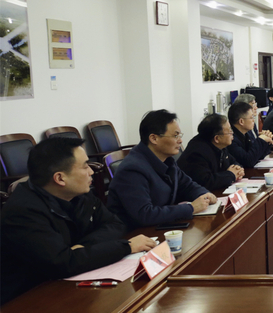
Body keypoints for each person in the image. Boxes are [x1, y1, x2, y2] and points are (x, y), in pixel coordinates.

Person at [0, 137, 157, 304]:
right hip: (28, 298)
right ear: (60, 179)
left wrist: (83, 247)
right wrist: (126, 247)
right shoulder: (23, 212)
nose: (91, 171)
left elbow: (115, 224)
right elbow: (62, 263)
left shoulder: (79, 194)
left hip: (70, 283)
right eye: (85, 166)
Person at [107, 110, 217, 230]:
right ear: (154, 138)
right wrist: (190, 208)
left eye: (180, 135)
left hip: (160, 226)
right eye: (175, 136)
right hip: (135, 234)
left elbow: (187, 185)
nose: (180, 140)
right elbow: (144, 214)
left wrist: (204, 194)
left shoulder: (167, 161)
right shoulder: (132, 170)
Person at [177, 114, 245, 191]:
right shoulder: (197, 152)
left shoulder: (220, 146)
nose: (232, 133)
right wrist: (231, 175)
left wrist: (238, 170)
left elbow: (233, 162)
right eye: (229, 131)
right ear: (217, 138)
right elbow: (206, 181)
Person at [227, 101, 273, 167]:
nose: (253, 120)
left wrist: (266, 141)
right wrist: (261, 140)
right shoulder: (230, 139)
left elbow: (258, 155)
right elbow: (248, 161)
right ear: (241, 121)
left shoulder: (247, 133)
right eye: (251, 117)